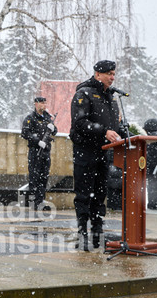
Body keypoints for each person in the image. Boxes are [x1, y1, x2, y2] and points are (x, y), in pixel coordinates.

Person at [69, 60, 125, 251]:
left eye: (114, 74)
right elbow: (79, 123)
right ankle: (82, 232)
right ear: (97, 74)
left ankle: (98, 232)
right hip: (85, 151)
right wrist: (103, 131)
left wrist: (122, 133)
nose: (112, 77)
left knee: (100, 194)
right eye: (109, 73)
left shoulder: (111, 96)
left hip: (104, 152)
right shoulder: (83, 94)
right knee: (84, 194)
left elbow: (114, 126)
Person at [21, 96, 57, 210]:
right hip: (35, 151)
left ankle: (40, 202)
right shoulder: (30, 118)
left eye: (45, 103)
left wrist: (53, 128)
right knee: (34, 178)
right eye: (41, 103)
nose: (44, 105)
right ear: (36, 104)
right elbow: (25, 133)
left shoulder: (47, 118)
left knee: (43, 178)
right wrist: (37, 141)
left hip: (46, 151)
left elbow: (55, 131)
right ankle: (33, 203)